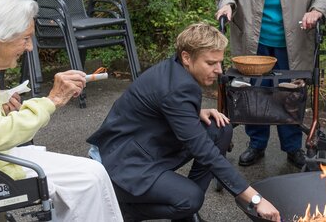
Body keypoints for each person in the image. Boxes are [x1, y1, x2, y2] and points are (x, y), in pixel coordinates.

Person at [87, 23, 281, 221]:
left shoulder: (176, 70)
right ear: (187, 57)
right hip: (119, 165)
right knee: (191, 198)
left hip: (138, 148)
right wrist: (255, 199)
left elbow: (164, 106)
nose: (219, 70)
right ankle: (123, 210)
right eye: (211, 63)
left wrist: (194, 112)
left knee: (219, 129)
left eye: (220, 62)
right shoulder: (178, 87)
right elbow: (203, 150)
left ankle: (184, 215)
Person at [0, 0, 123, 221]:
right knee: (90, 176)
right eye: (25, 38)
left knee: (91, 175)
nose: (29, 48)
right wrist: (51, 101)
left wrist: (0, 105)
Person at [215, 0, 326, 169]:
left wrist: (317, 10)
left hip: (294, 42)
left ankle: (292, 147)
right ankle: (256, 144)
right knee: (253, 95)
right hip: (254, 42)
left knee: (290, 94)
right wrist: (227, 4)